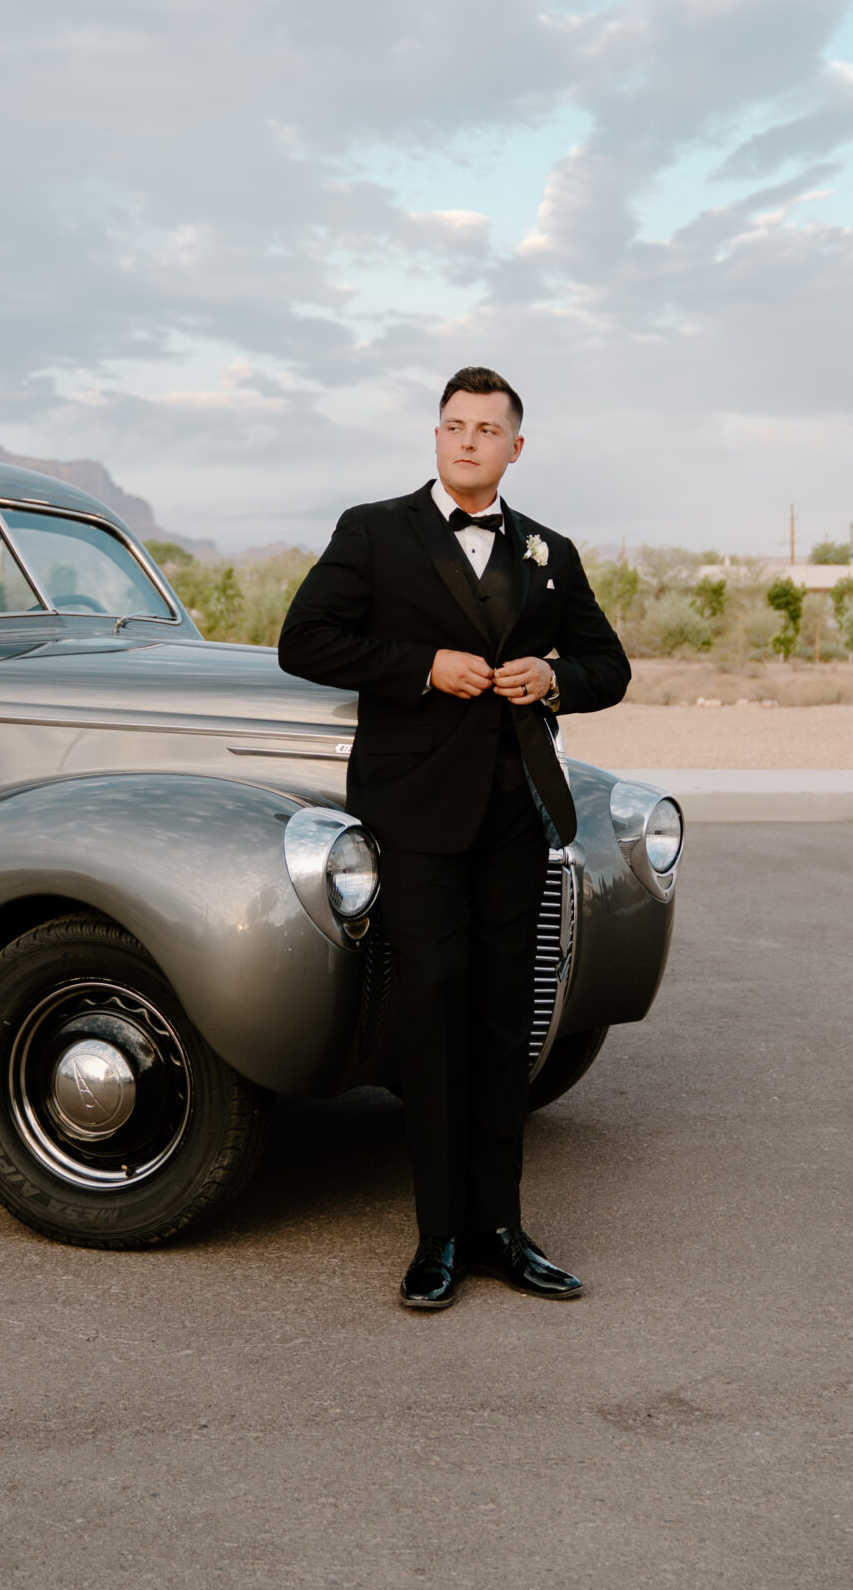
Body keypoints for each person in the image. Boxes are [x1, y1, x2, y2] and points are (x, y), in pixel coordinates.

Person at [277, 366, 630, 1311]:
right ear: (435, 439)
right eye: (453, 426)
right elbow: (303, 641)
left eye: (487, 429)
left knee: (503, 1019)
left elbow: (610, 666)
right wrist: (423, 666)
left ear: (516, 447)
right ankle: (437, 1238)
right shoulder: (373, 530)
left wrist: (551, 677)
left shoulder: (549, 552)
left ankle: (502, 1230)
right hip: (415, 813)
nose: (467, 441)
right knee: (432, 1011)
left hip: (516, 814)